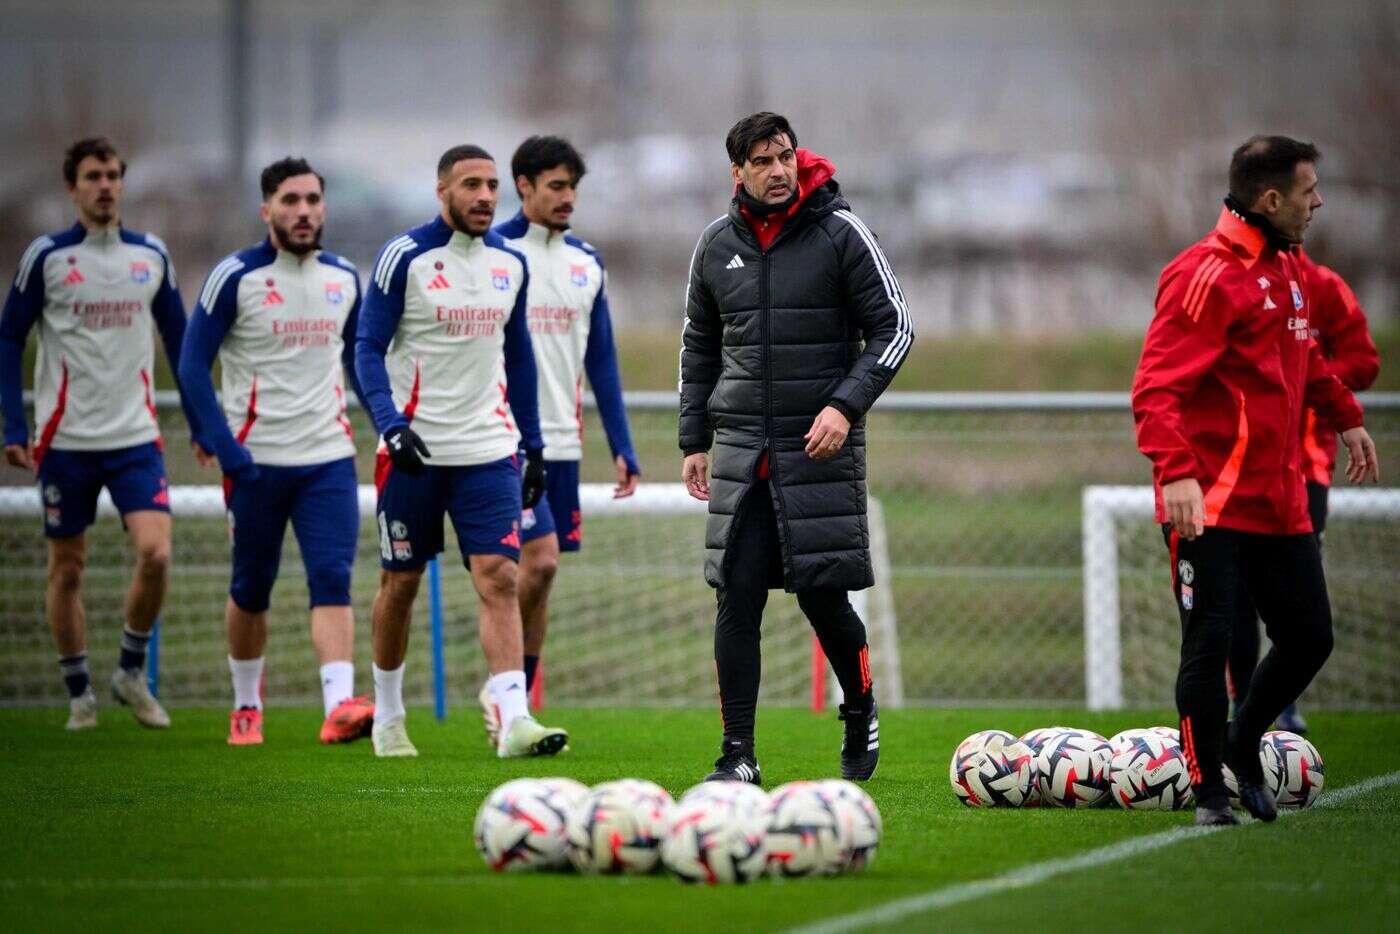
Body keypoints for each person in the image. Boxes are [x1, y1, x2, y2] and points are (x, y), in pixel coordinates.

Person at [1132, 135, 1380, 826]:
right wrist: (1176, 473)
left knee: (1310, 637)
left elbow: (1306, 362)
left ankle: (1243, 741)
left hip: (1280, 502)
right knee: (1210, 643)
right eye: (1308, 191)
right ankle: (1209, 792)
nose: (1318, 202)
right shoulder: (1203, 273)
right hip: (1207, 503)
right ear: (1271, 200)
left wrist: (1346, 418)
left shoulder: (1293, 269)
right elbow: (1155, 389)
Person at [679, 112, 914, 784]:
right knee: (737, 595)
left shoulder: (842, 232)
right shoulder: (714, 246)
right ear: (737, 172)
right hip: (742, 452)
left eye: (785, 156)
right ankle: (738, 756)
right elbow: (698, 346)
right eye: (762, 161)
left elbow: (895, 329)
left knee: (823, 599)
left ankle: (860, 704)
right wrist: (694, 438)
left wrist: (845, 404)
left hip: (816, 452)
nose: (779, 171)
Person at [355, 144, 568, 759]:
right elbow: (366, 348)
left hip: (489, 450)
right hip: (413, 452)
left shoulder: (510, 263)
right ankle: (389, 716)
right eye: (470, 184)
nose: (483, 196)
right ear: (441, 189)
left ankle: (514, 718)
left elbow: (520, 358)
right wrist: (391, 424)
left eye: (491, 186)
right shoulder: (406, 257)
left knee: (500, 576)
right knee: (400, 583)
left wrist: (533, 447)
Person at [0, 137, 197, 731]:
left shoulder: (151, 256)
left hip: (136, 438)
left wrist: (203, 425)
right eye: (93, 176)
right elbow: (9, 339)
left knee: (156, 554)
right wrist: (15, 423)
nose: (105, 185)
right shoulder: (48, 258)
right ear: (73, 187)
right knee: (68, 569)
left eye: (113, 174)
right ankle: (79, 690)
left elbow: (181, 344)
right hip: (66, 442)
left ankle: (129, 671)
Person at [178, 157, 375, 747]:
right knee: (251, 587)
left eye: (313, 199)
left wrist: (389, 418)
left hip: (328, 459)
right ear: (267, 210)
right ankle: (245, 704)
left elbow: (357, 365)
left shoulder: (343, 277)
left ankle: (339, 705)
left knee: (333, 577)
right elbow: (191, 366)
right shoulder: (234, 277)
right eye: (291, 201)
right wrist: (225, 447)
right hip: (255, 462)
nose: (305, 211)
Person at [485, 136, 639, 745]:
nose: (567, 197)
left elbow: (601, 358)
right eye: (556, 186)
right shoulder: (492, 253)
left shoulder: (586, 263)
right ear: (523, 187)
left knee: (543, 575)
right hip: (506, 441)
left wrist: (622, 445)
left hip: (565, 446)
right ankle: (508, 700)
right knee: (538, 560)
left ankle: (509, 696)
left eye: (573, 186)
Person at [1227, 252, 1379, 735]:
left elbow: (1364, 362)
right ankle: (1244, 705)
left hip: (1306, 469)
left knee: (1294, 601)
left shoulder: (1324, 286)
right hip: (1245, 470)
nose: (1312, 206)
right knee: (1237, 596)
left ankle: (1281, 703)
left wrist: (1307, 380)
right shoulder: (1234, 278)